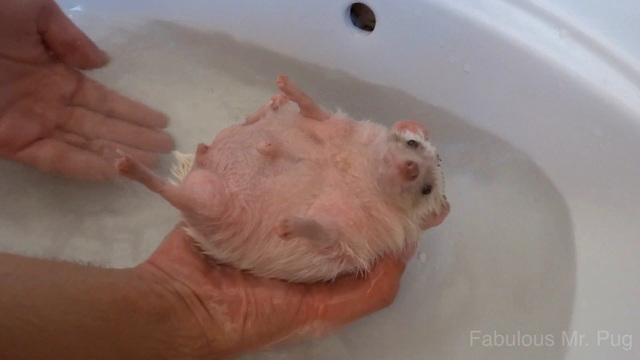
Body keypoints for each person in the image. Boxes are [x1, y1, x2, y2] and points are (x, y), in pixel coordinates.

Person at [0, 1, 420, 359]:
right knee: (214, 195)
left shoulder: (365, 215)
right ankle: (163, 183)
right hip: (262, 182)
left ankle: (160, 183)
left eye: (422, 185)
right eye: (415, 154)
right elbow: (319, 127)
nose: (410, 168)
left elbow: (328, 228)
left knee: (210, 201)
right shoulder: (355, 147)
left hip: (251, 203)